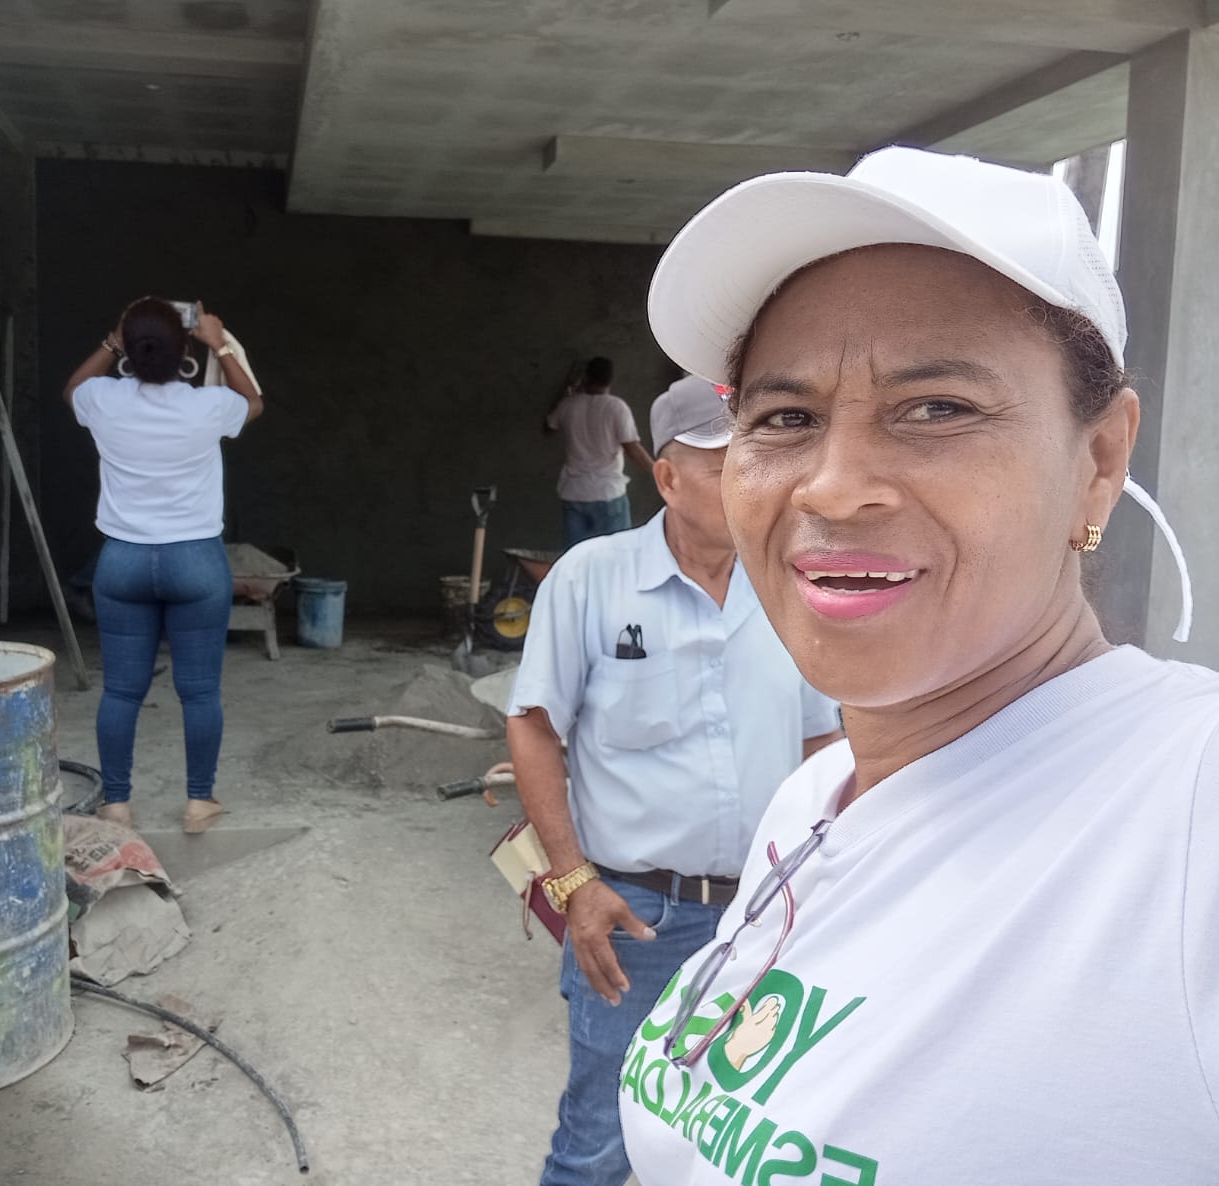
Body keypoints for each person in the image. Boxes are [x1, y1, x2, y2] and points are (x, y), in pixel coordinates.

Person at [619, 147, 1212, 1184]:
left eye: (937, 407)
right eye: (785, 417)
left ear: (1100, 459)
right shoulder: (811, 804)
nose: (833, 487)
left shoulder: (1186, 810)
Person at [507, 376, 842, 1186]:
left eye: (760, 462)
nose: (749, 485)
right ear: (665, 477)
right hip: (637, 916)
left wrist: (831, 876)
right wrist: (573, 881)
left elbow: (821, 738)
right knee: (599, 1140)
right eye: (723, 466)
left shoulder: (794, 582)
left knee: (738, 1134)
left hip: (770, 913)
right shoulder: (591, 579)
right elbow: (533, 727)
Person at [63, 298, 263, 834]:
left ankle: (116, 804)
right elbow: (253, 403)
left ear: (129, 348)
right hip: (195, 562)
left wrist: (112, 341)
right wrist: (220, 344)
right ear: (184, 351)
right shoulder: (208, 406)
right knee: (199, 691)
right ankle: (199, 802)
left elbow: (72, 389)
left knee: (120, 691)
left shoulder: (104, 399)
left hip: (123, 562)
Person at [546, 356, 656, 548]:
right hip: (608, 493)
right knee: (617, 555)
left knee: (577, 557)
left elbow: (548, 428)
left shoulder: (568, 405)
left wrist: (566, 389)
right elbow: (633, 449)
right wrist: (657, 469)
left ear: (586, 377)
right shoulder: (616, 407)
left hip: (574, 493)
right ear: (610, 380)